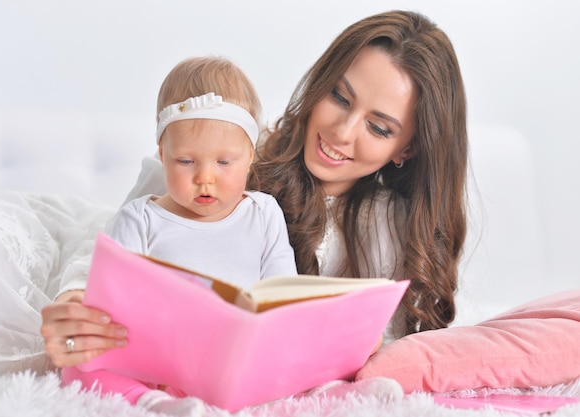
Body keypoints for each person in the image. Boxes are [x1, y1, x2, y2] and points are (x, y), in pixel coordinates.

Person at [41, 7, 466, 399]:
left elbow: (393, 340)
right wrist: (76, 299)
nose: (342, 131)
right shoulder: (230, 157)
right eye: (339, 97)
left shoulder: (392, 228)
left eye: (377, 126)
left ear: (406, 149)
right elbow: (115, 241)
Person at [55, 56, 298, 414]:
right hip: (161, 361)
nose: (205, 177)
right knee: (79, 363)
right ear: (162, 154)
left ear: (250, 156)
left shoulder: (263, 213)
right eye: (186, 161)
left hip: (235, 357)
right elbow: (113, 301)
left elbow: (283, 290)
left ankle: (337, 395)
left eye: (224, 162)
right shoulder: (140, 218)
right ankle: (153, 402)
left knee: (296, 355)